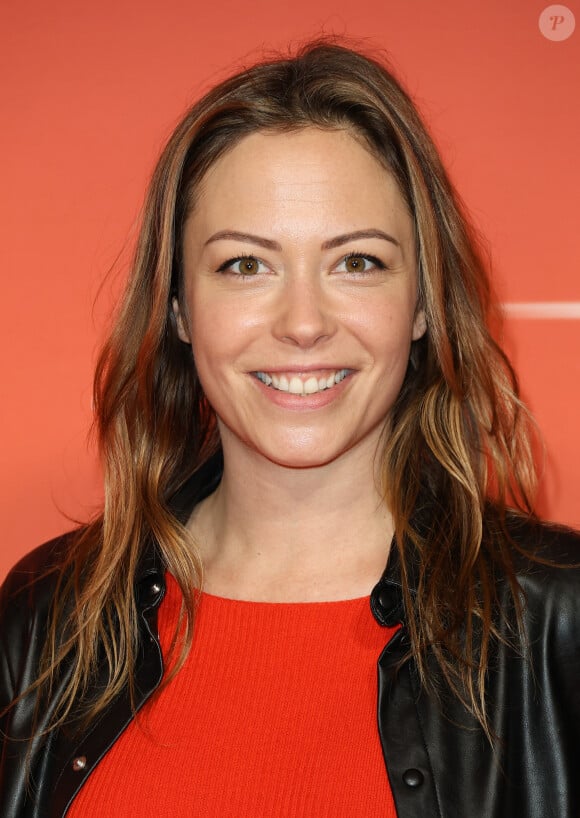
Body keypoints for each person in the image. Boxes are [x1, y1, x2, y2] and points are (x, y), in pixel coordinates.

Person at [1, 40, 579, 818]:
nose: (303, 323)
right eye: (245, 265)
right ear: (178, 307)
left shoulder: (556, 618)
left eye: (358, 263)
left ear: (422, 305)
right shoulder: (49, 615)